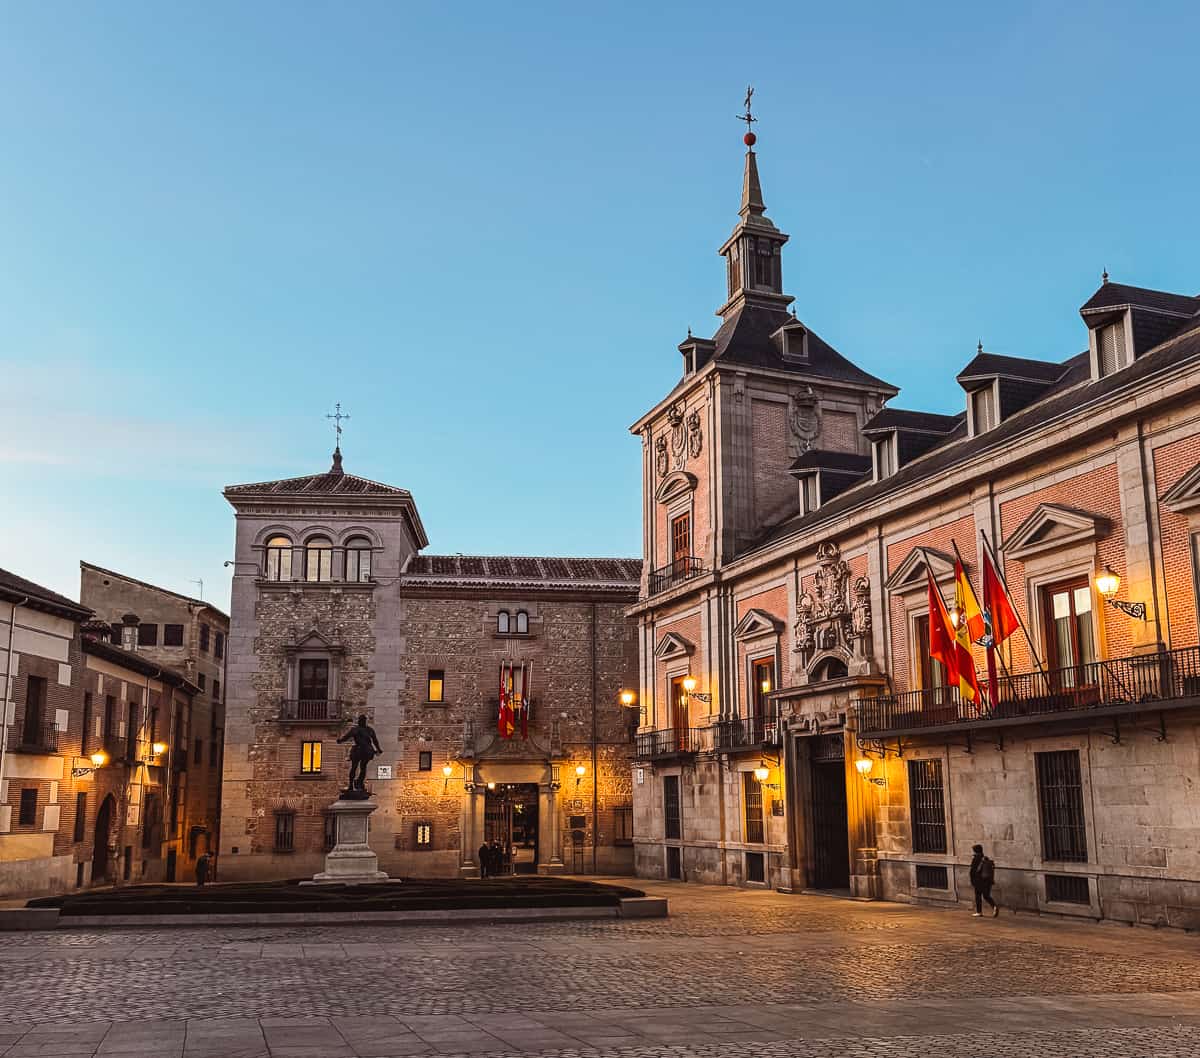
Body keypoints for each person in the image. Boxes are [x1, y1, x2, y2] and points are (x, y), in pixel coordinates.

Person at [337, 715, 383, 791]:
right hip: (366, 750)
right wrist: (378, 749)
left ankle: (356, 783)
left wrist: (340, 740)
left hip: (361, 750)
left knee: (357, 767)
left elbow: (346, 737)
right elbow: (375, 741)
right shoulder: (368, 730)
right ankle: (357, 783)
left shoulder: (357, 729)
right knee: (361, 767)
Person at [970, 843, 999, 917]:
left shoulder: (975, 858)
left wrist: (972, 881)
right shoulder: (985, 858)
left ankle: (979, 912)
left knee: (978, 896)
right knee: (986, 895)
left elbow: (972, 871)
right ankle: (994, 906)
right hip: (987, 880)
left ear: (975, 851)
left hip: (979, 880)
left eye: (973, 851)